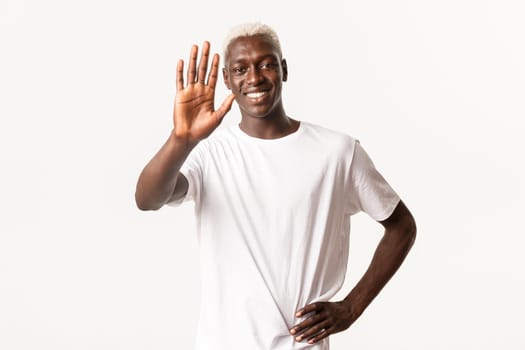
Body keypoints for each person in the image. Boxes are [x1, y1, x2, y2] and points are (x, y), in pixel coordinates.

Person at [135, 22, 416, 350]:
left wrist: (352, 307)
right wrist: (181, 139)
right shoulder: (210, 153)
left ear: (283, 69)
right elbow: (147, 199)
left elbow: (401, 226)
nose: (253, 78)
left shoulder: (337, 151)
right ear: (227, 79)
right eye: (240, 68)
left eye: (266, 64)